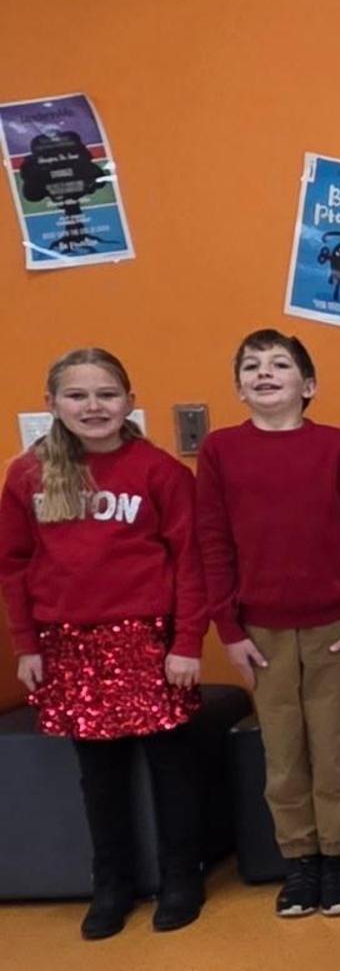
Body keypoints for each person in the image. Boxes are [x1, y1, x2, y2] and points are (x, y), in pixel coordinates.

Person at [1, 348, 208, 938]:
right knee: (100, 775)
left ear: (129, 401)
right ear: (52, 405)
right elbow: (13, 566)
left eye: (106, 395)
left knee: (171, 768)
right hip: (69, 644)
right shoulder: (27, 475)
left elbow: (190, 564)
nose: (93, 407)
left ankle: (180, 877)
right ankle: (111, 883)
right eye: (77, 396)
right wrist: (28, 645)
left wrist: (187, 641)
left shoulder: (160, 471)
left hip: (147, 641)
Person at [195, 329, 340, 917]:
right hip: (261, 633)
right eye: (252, 366)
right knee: (282, 753)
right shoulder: (221, 451)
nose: (265, 372)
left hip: (333, 625)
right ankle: (299, 861)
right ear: (239, 387)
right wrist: (228, 629)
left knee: (332, 751)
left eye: (279, 364)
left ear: (309, 385)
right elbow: (213, 544)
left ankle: (339, 858)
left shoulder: (334, 446)